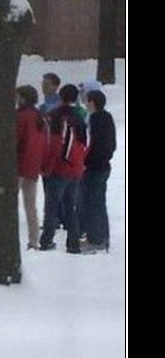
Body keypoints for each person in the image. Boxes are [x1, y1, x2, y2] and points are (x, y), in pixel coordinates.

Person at [39, 85, 88, 253]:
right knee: (71, 206)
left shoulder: (55, 116)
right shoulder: (79, 117)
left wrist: (46, 165)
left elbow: (53, 144)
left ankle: (46, 239)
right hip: (75, 167)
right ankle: (73, 242)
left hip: (59, 167)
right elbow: (83, 143)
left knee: (52, 206)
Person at [79, 88, 117, 251]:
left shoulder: (95, 119)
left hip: (94, 167)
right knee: (99, 202)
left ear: (92, 103)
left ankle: (95, 239)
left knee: (92, 203)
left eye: (87, 101)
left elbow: (94, 144)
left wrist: (86, 161)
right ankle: (102, 236)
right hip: (103, 166)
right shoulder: (107, 117)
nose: (85, 104)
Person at [15, 84, 47, 250]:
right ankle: (34, 240)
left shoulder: (20, 116)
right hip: (33, 164)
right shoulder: (39, 116)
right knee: (30, 205)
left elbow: (17, 138)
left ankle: (9, 235)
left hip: (19, 163)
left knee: (10, 201)